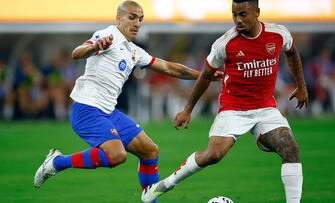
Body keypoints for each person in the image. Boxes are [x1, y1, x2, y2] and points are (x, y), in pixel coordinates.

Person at [33, 1, 221, 202]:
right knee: (117, 155)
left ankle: (151, 200)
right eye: (132, 17)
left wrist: (205, 75)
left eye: (140, 19)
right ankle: (57, 162)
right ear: (118, 18)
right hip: (86, 109)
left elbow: (169, 68)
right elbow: (77, 53)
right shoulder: (107, 36)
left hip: (107, 112)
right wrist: (95, 47)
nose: (137, 23)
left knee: (150, 151)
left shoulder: (134, 51)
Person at [142, 0, 308, 203]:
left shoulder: (278, 34)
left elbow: (292, 52)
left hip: (265, 108)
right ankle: (164, 185)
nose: (237, 20)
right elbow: (205, 75)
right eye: (234, 14)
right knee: (214, 154)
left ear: (257, 12)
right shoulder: (225, 44)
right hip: (233, 109)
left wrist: (301, 85)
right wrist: (187, 109)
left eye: (243, 14)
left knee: (290, 148)